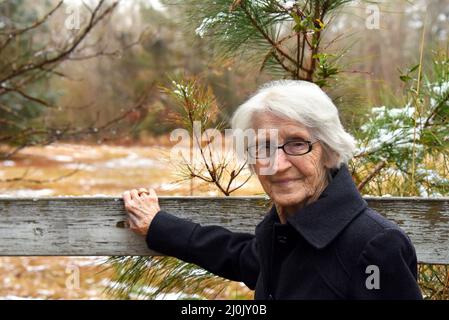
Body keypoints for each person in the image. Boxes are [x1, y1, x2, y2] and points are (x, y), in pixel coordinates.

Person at [122, 80, 423, 300]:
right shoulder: (285, 233)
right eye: (263, 147)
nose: (277, 165)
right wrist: (159, 226)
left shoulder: (374, 245)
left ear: (329, 151)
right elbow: (241, 257)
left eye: (296, 143)